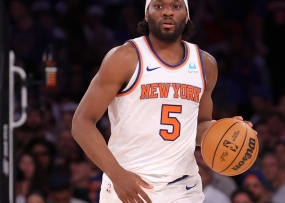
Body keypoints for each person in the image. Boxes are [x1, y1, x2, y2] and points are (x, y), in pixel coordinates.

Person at [71, 0, 256, 202]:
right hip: (129, 183)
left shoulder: (205, 64)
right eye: (158, 6)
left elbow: (198, 127)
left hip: (183, 188)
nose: (167, 12)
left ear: (186, 16)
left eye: (176, 6)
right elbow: (81, 123)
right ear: (146, 14)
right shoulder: (124, 57)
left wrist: (224, 130)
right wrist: (116, 174)